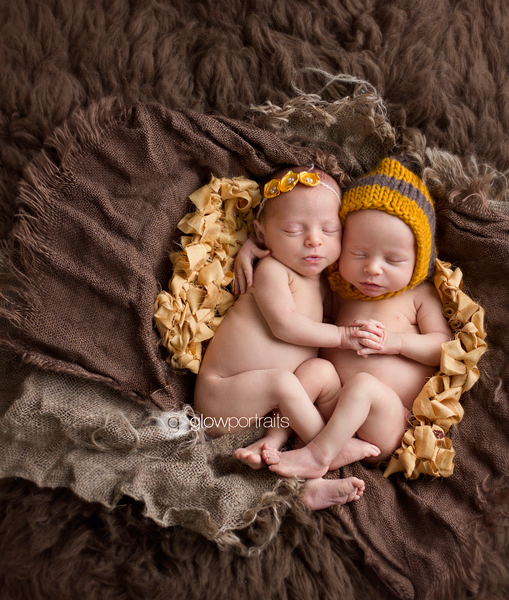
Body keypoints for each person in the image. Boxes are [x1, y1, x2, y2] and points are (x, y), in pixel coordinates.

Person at [236, 157, 453, 480]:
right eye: (358, 254)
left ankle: (319, 456)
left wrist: (396, 343)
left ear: (420, 260)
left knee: (364, 386)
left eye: (393, 259)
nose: (373, 269)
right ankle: (276, 438)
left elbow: (444, 347)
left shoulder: (419, 295)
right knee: (314, 371)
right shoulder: (337, 288)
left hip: (387, 422)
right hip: (329, 411)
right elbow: (297, 260)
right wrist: (257, 245)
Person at [193, 166, 381, 509]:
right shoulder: (272, 270)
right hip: (220, 402)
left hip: (270, 412)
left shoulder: (324, 282)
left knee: (321, 372)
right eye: (294, 230)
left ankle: (303, 477)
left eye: (329, 229)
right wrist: (342, 335)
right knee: (282, 382)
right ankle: (328, 449)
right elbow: (286, 326)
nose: (314, 240)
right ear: (262, 235)